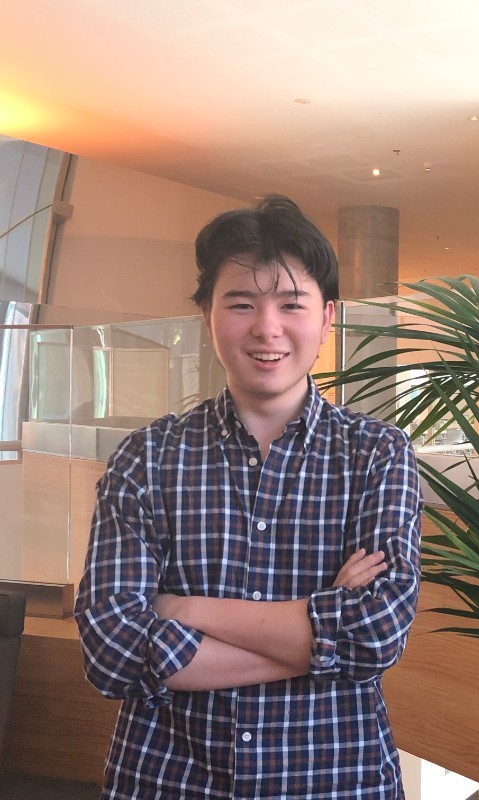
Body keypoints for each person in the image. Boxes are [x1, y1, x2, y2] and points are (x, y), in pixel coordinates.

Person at [74, 195, 423, 799]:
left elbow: (377, 633)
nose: (268, 328)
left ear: (327, 316)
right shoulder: (146, 458)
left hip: (334, 779)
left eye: (292, 304)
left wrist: (181, 608)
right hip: (168, 780)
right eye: (241, 303)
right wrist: (320, 633)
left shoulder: (377, 454)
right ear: (207, 312)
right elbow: (110, 650)